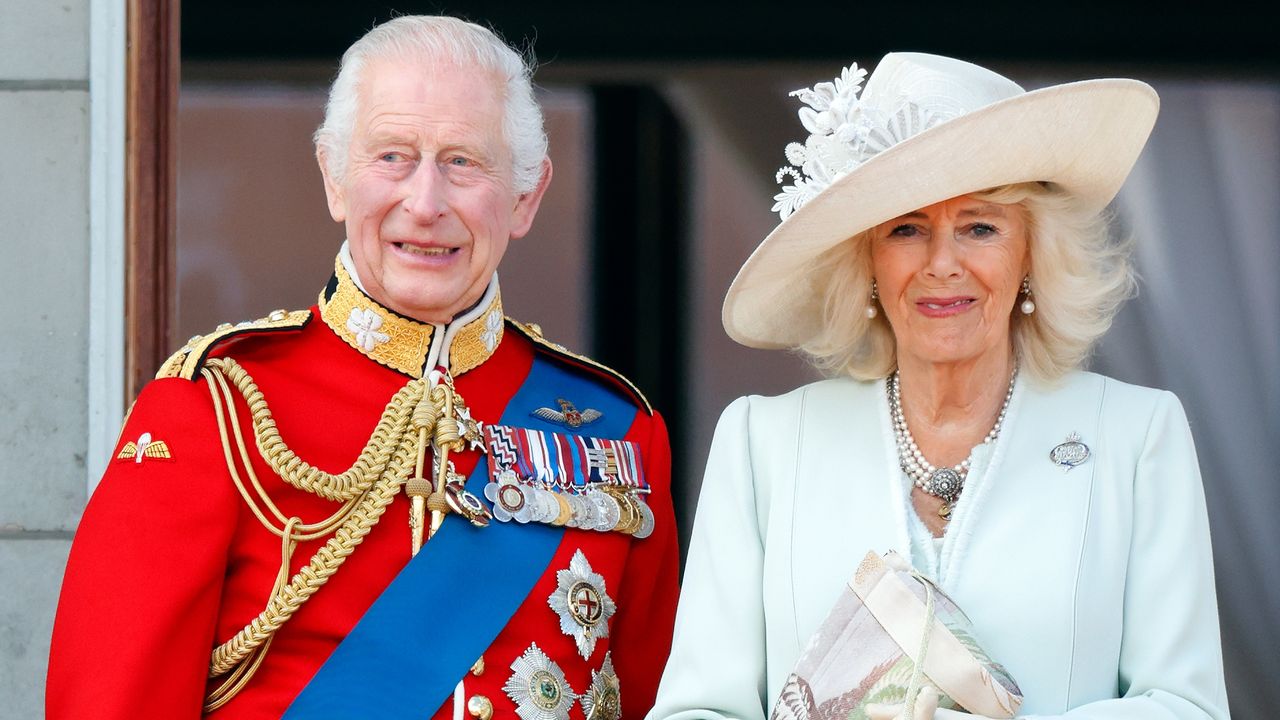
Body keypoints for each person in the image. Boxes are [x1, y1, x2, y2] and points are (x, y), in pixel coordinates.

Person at [48, 15, 678, 720]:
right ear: (334, 178)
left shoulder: (618, 434)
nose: (426, 202)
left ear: (526, 195)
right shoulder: (217, 409)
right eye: (392, 157)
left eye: (463, 161)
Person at [648, 53, 1229, 719]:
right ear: (866, 259)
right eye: (907, 229)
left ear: (1032, 252)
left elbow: (1187, 706)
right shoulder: (766, 443)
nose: (942, 264)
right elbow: (697, 709)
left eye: (980, 226)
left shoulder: (1135, 436)